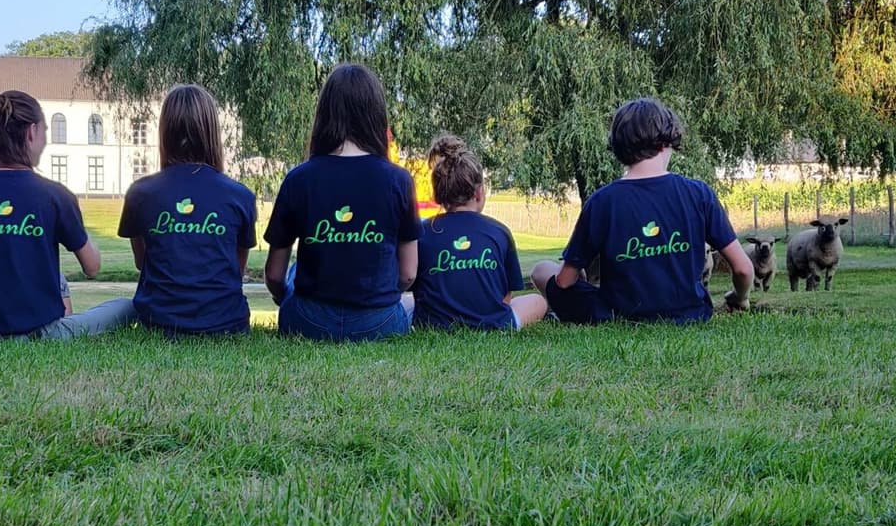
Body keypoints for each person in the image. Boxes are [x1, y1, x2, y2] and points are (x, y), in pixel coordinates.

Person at [0, 90, 133, 340]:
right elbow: (92, 267)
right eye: (45, 131)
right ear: (32, 132)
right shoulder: (56, 195)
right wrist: (74, 222)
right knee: (127, 307)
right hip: (43, 333)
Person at [531, 98, 752, 324]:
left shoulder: (602, 201)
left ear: (618, 147)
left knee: (541, 270)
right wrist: (740, 298)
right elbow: (743, 269)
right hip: (690, 315)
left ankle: (554, 314)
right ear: (666, 141)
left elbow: (565, 281)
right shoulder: (699, 194)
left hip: (618, 316)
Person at [263, 63, 418, 341]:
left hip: (307, 322)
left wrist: (286, 299)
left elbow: (275, 275)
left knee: (295, 269)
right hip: (378, 323)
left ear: (323, 114)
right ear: (376, 114)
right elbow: (407, 274)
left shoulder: (299, 179)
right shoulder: (399, 181)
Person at [117, 84, 258, 335]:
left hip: (160, 322)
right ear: (211, 132)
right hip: (226, 324)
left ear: (165, 132)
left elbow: (143, 262)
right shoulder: (240, 196)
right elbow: (236, 270)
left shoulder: (139, 193)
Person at [404, 136, 547, 330]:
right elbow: (505, 297)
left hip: (434, 323)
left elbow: (416, 287)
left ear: (438, 194)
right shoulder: (499, 231)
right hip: (493, 323)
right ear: (479, 192)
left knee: (404, 303)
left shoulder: (422, 232)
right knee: (538, 301)